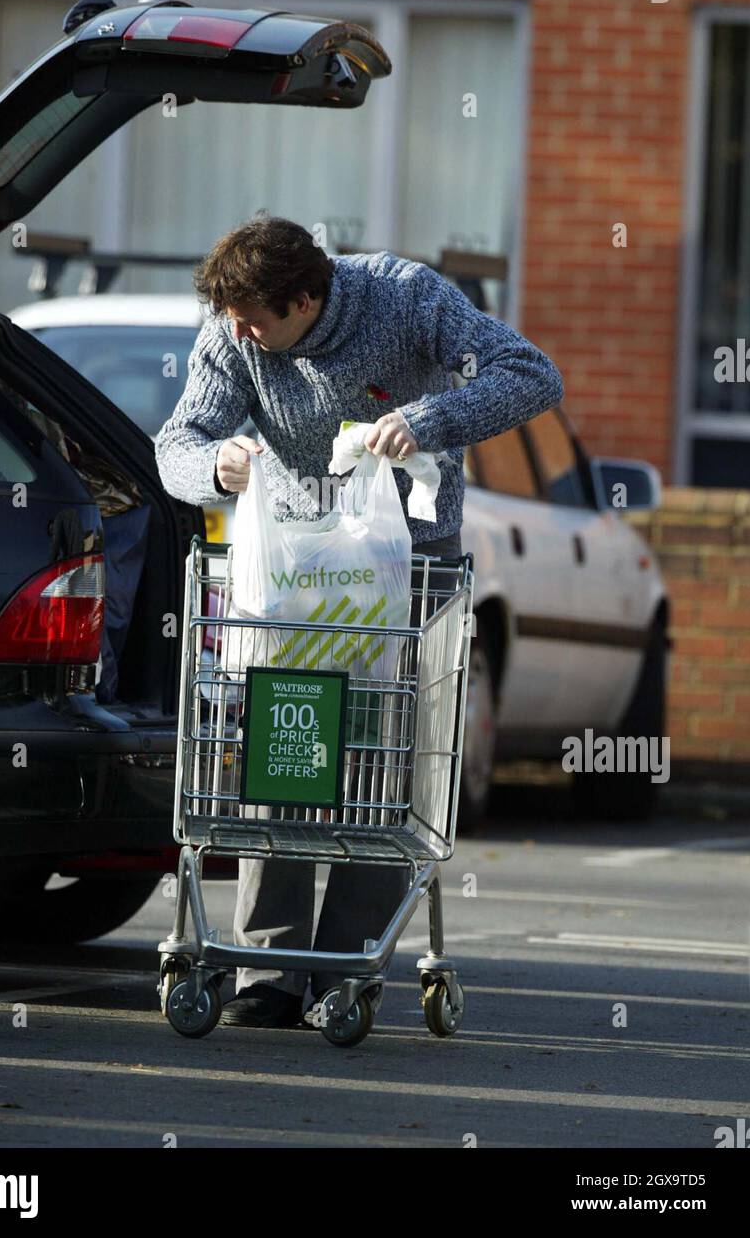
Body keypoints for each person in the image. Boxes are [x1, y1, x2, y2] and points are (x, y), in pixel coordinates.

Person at [155, 214, 563, 1027]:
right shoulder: (235, 328)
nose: (239, 335)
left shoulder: (405, 299)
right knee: (287, 741)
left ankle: (348, 964)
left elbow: (531, 374)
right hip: (296, 569)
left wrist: (426, 420)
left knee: (383, 764)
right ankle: (269, 971)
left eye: (254, 322)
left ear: (306, 299)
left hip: (404, 565)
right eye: (230, 322)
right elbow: (178, 440)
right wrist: (216, 465)